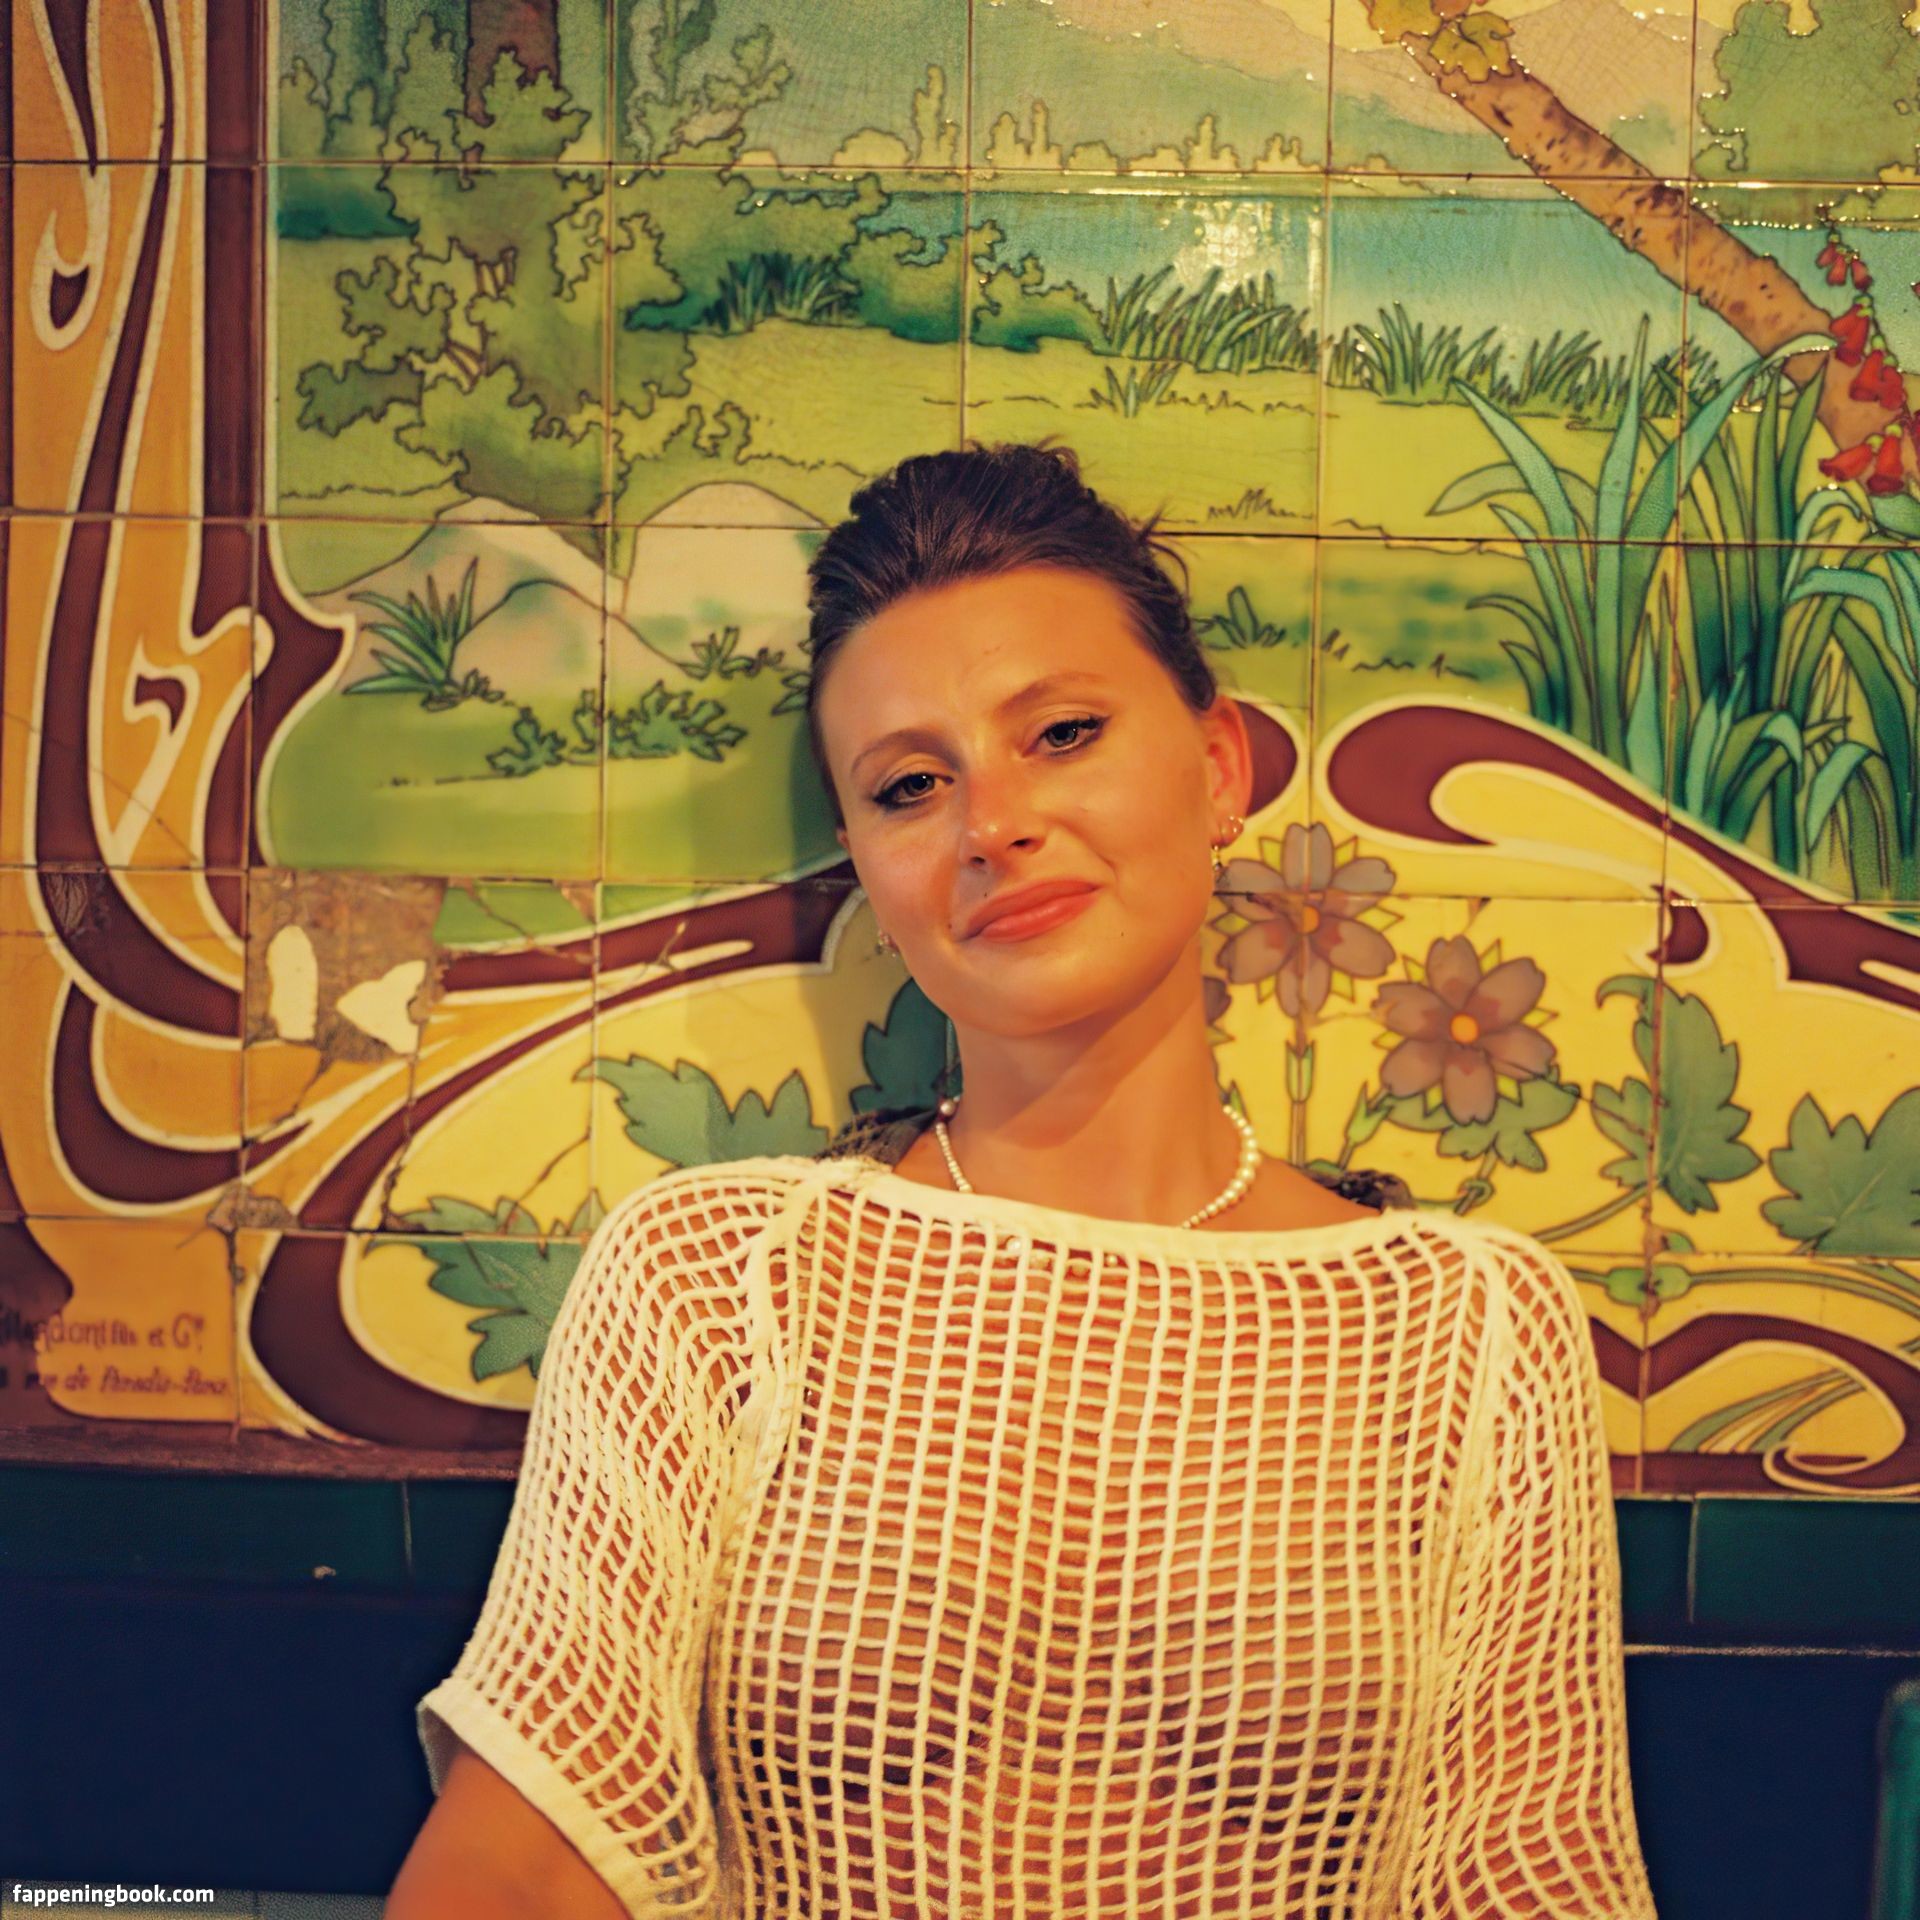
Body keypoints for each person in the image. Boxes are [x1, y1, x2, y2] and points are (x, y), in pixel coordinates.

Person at [388, 442, 1659, 1918]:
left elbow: (1530, 1870)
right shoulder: (716, 1280)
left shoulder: (1468, 1330)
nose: (991, 823)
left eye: (1061, 733)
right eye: (911, 785)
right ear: (867, 863)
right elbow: (535, 1832)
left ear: (1218, 766)